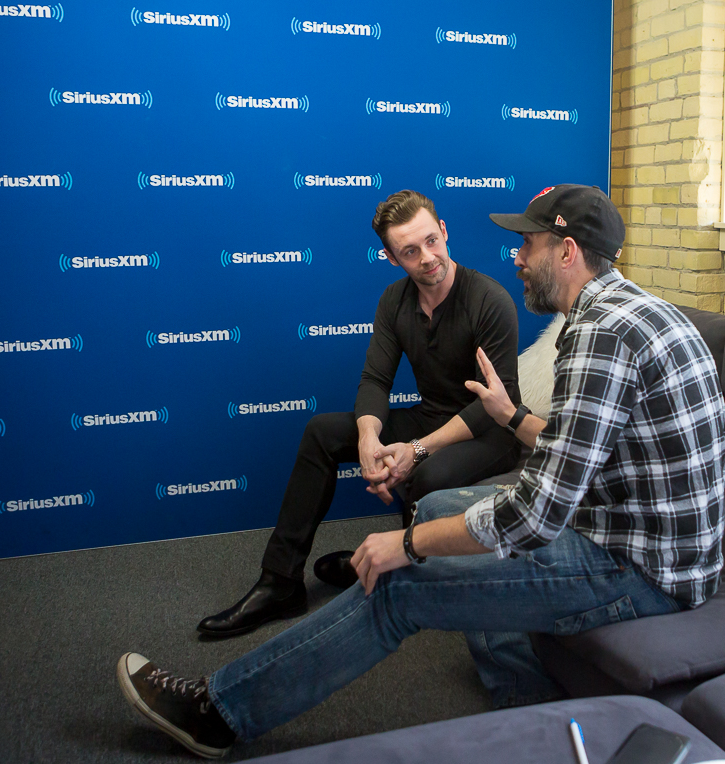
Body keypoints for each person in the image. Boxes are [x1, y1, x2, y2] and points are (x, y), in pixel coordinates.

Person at [116, 184, 725, 758]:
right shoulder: (629, 312)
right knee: (442, 513)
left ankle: (219, 711)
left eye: (528, 245)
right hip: (630, 533)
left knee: (402, 586)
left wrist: (405, 543)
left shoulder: (600, 336)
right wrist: (510, 416)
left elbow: (534, 518)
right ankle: (527, 712)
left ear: (567, 252)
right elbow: (582, 445)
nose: (517, 258)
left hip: (644, 571)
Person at [196, 189, 522, 638]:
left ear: (444, 232)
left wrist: (417, 450)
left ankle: (398, 574)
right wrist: (369, 440)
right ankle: (280, 583)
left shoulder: (490, 299)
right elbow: (374, 381)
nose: (427, 258)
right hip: (431, 416)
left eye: (431, 240)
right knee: (322, 431)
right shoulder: (394, 299)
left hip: (490, 431)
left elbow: (493, 407)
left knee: (424, 476)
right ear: (391, 257)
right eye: (410, 251)